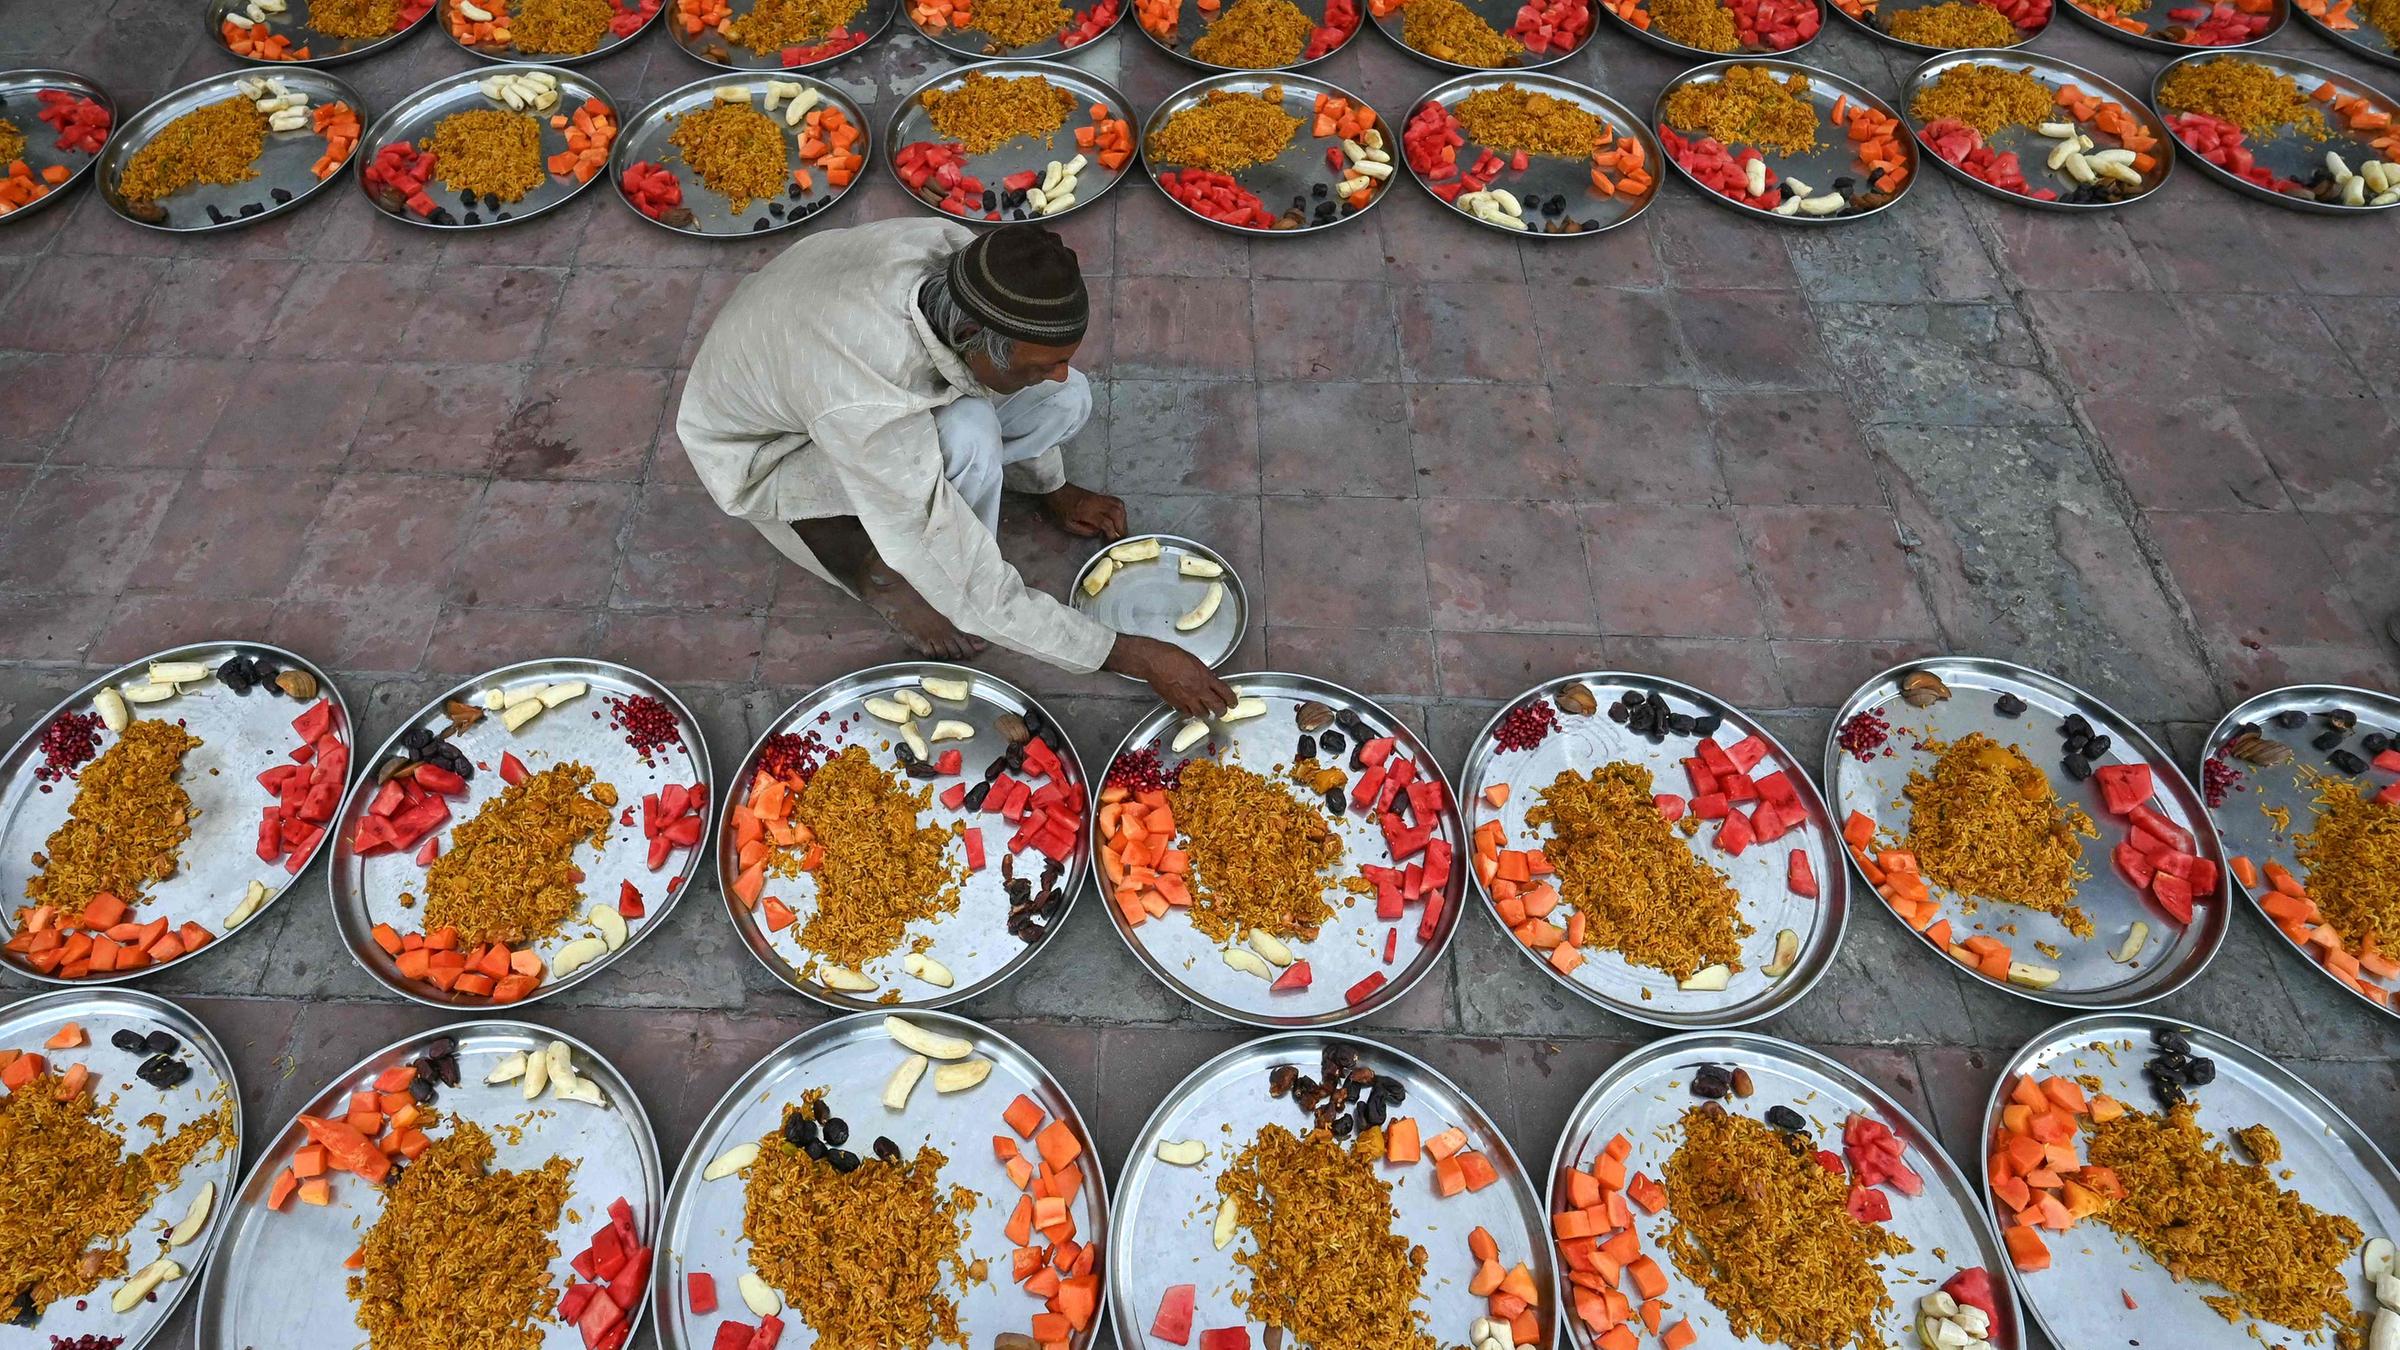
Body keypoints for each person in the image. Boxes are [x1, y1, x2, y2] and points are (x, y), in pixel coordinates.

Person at [676, 219, 1234, 718]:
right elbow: (967, 581)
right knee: (968, 438)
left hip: (803, 332)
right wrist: (1128, 653)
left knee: (1068, 399)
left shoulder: (969, 264)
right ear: (972, 340)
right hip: (766, 450)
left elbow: (1015, 374)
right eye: (1045, 362)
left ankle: (1017, 488)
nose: (1059, 371)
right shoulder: (864, 398)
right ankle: (886, 579)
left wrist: (1051, 487)